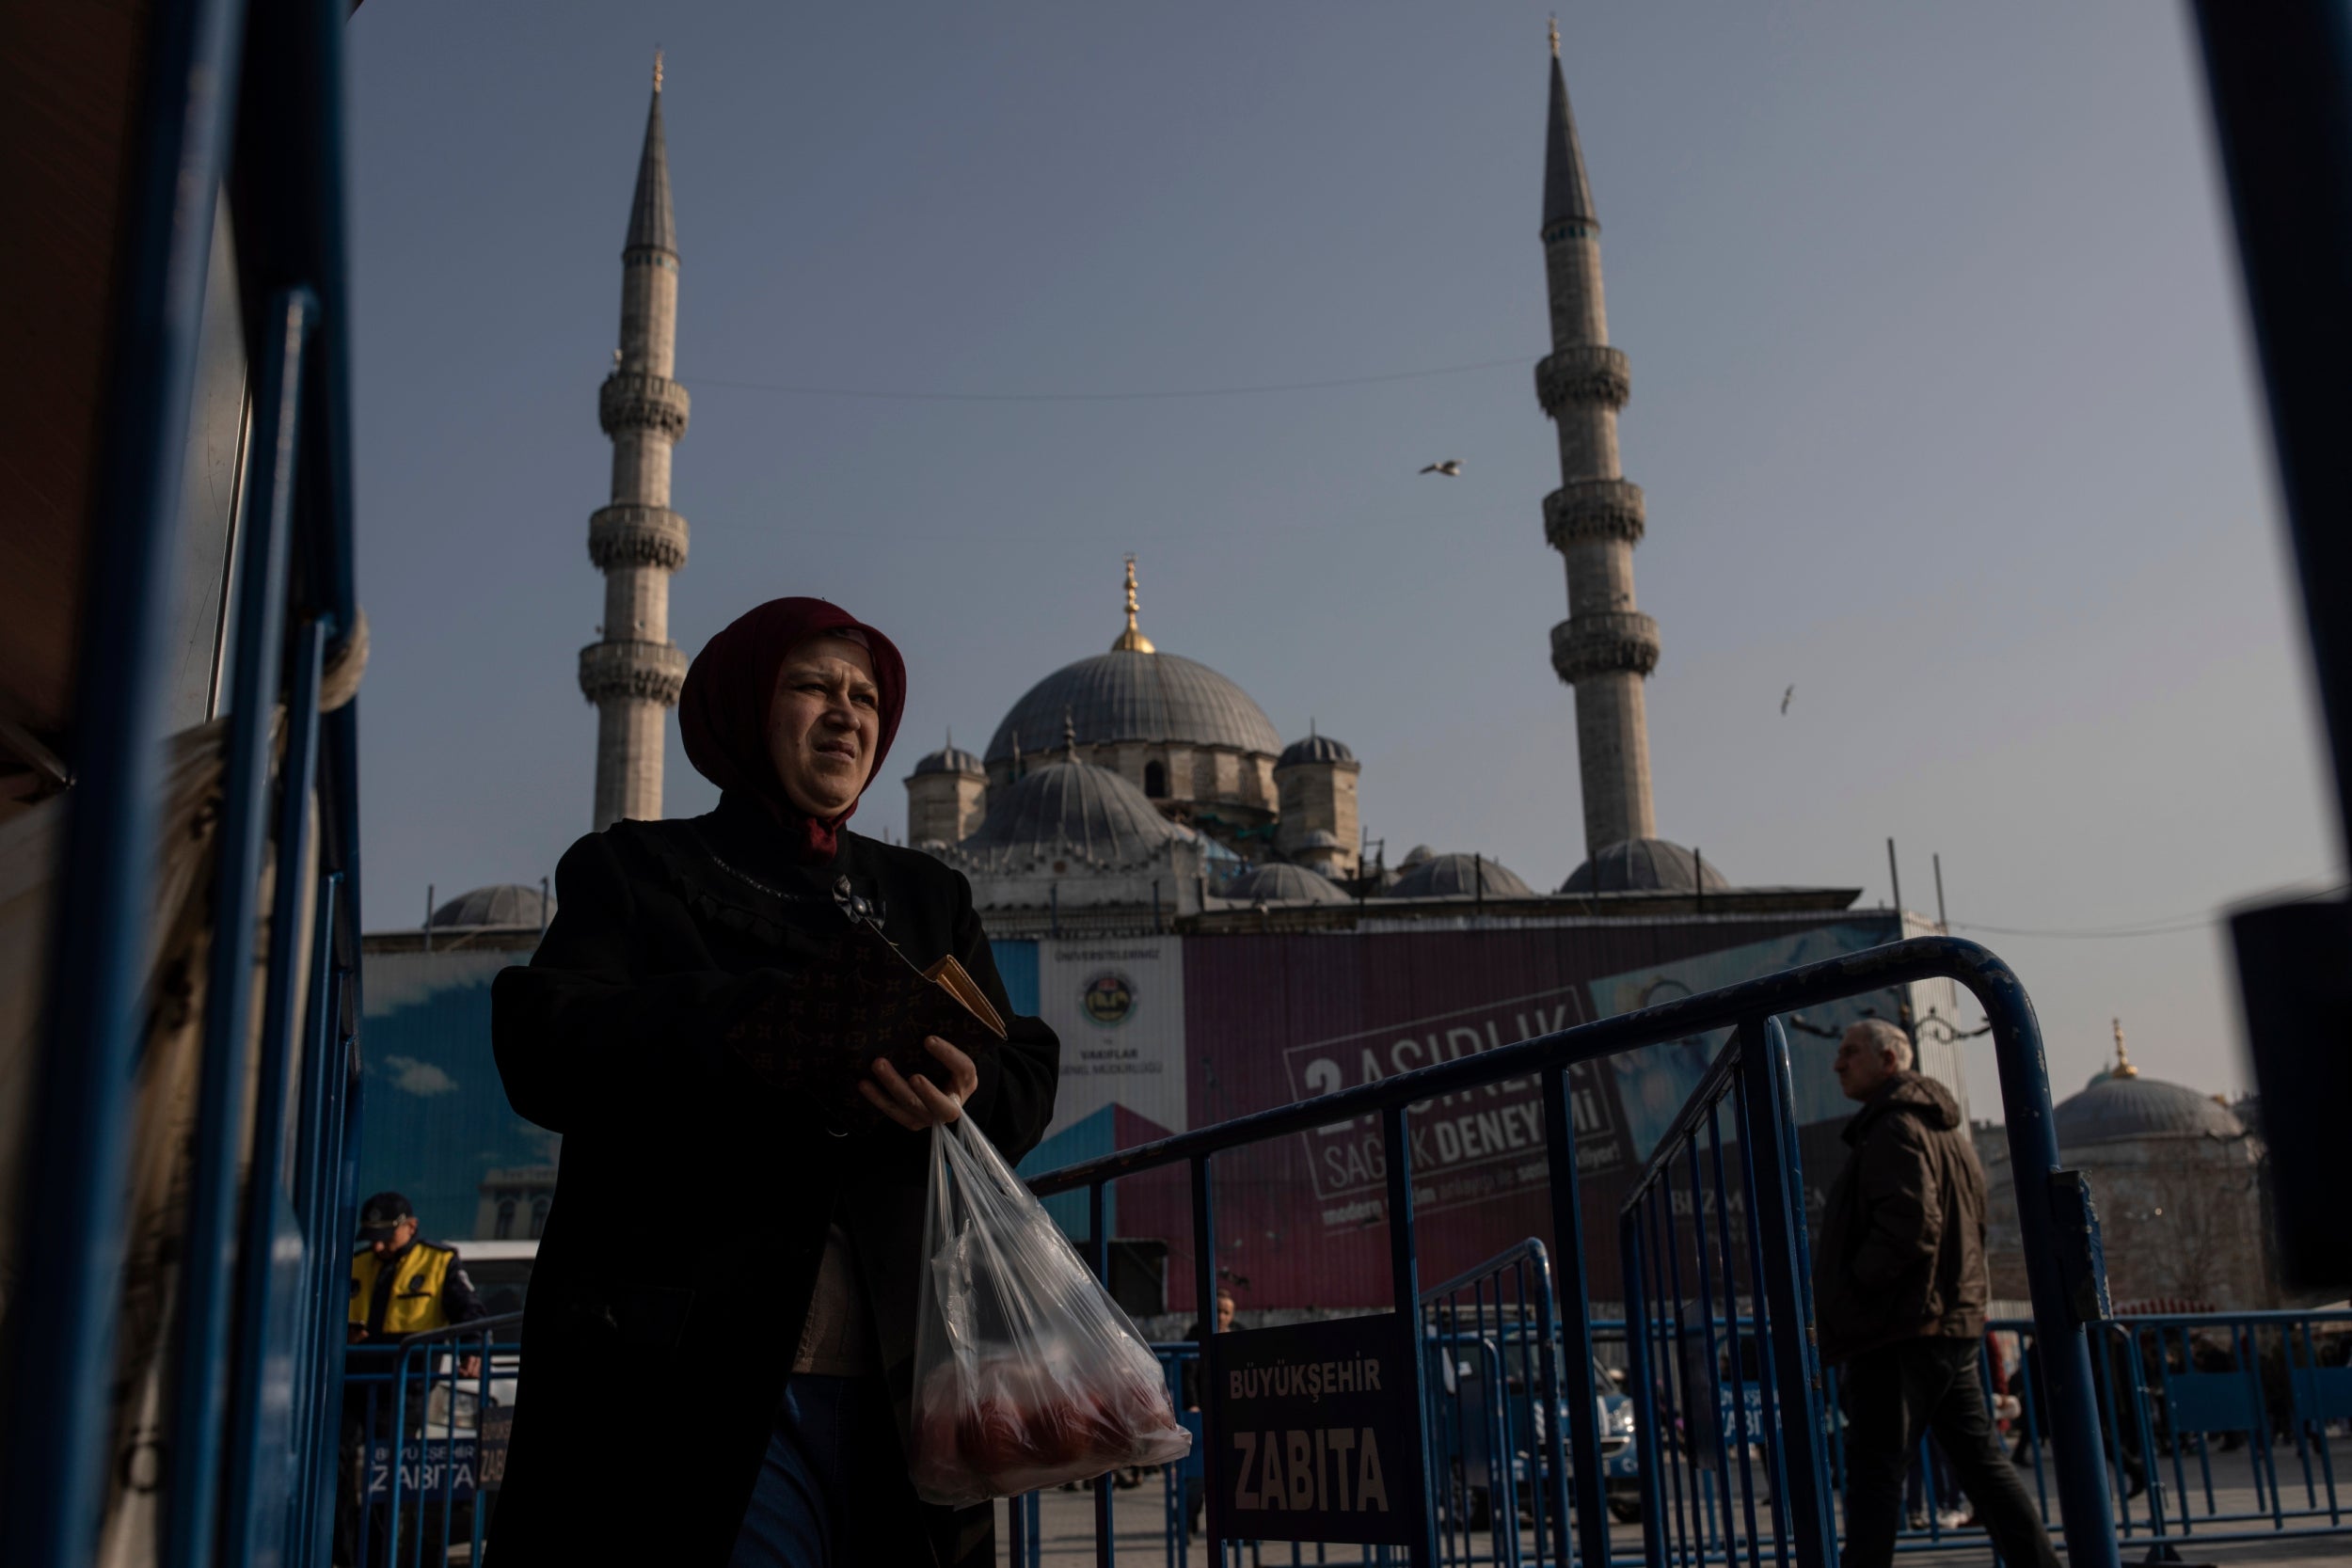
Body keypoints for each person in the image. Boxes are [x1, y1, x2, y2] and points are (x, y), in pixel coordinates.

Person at [484, 598, 1059, 1568]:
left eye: (865, 695)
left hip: (903, 1385)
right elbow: (547, 1044)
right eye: (811, 686)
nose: (846, 714)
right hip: (694, 1384)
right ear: (743, 703)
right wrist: (757, 1020)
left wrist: (967, 1088)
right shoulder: (640, 871)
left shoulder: (925, 896)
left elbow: (1018, 1067)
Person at [1815, 1020, 2058, 1568]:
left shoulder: (1893, 1128)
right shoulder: (1946, 1133)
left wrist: (1855, 1291)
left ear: (1891, 1061)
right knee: (1981, 1465)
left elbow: (1911, 1228)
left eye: (1851, 1052)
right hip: (1946, 1324)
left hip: (1900, 1328)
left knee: (1874, 1474)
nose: (1838, 1064)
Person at [339, 1192, 485, 1566]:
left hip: (406, 1389)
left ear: (412, 1227)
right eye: (372, 1236)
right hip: (355, 1385)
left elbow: (470, 1313)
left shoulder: (440, 1262)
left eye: (387, 1235)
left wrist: (472, 1350)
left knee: (385, 1475)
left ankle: (377, 1558)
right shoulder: (356, 1263)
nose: (379, 1244)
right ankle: (343, 1554)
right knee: (337, 1467)